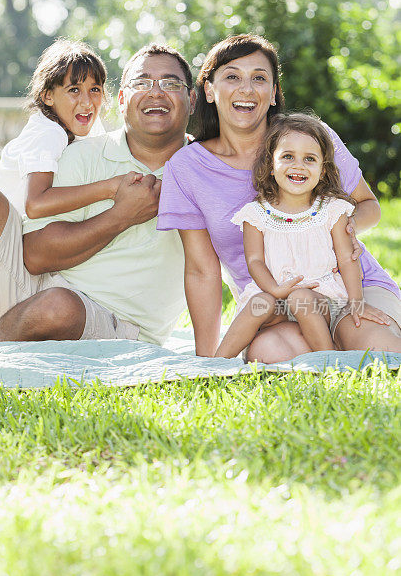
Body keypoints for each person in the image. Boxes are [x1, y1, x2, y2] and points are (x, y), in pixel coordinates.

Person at [0, 43, 195, 353]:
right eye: (141, 82)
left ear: (191, 100)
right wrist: (121, 215)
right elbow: (35, 256)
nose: (156, 92)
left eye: (170, 83)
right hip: (35, 289)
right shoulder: (78, 152)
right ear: (122, 100)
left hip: (117, 323)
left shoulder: (206, 170)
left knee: (59, 306)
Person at [158, 34, 401, 361]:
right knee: (270, 353)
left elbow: (369, 205)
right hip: (274, 304)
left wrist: (345, 230)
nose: (246, 89)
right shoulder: (186, 169)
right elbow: (202, 271)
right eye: (232, 76)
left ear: (273, 93)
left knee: (380, 351)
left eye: (259, 78)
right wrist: (205, 361)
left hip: (350, 286)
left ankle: (353, 335)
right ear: (209, 90)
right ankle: (331, 350)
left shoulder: (309, 140)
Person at [0, 38, 120, 338]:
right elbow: (36, 203)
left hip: (2, 276)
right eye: (74, 89)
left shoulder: (78, 129)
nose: (88, 100)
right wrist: (110, 188)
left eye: (95, 90)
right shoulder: (49, 132)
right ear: (47, 96)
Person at [215, 113, 398, 358]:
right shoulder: (255, 215)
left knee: (301, 297)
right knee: (259, 305)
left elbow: (347, 259)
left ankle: (328, 359)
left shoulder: (332, 210)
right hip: (277, 297)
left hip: (321, 299)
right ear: (271, 165)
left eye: (309, 159)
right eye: (288, 156)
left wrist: (356, 301)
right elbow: (255, 262)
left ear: (323, 171)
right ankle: (215, 364)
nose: (298, 166)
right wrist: (276, 291)